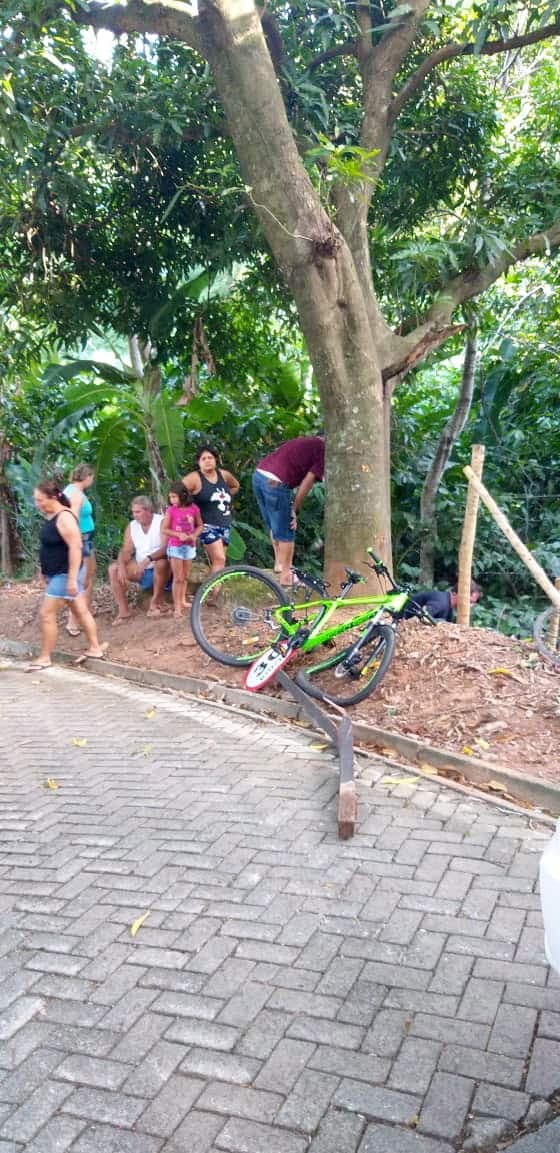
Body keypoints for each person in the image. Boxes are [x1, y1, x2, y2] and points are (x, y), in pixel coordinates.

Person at [28, 477, 107, 671]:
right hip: (56, 573)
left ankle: (45, 657)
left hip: (65, 574)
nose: (37, 504)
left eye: (40, 500)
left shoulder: (65, 517)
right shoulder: (52, 516)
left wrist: (72, 579)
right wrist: (43, 571)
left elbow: (76, 547)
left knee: (46, 614)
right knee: (80, 610)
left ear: (53, 497)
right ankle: (95, 648)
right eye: (36, 500)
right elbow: (50, 546)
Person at [252, 435, 324, 585]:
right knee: (286, 530)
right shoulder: (323, 449)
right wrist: (294, 509)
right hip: (275, 482)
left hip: (259, 475)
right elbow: (307, 482)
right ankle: (287, 575)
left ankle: (279, 564)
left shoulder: (304, 441)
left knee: (274, 524)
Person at [108, 495, 170, 624]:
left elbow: (166, 548)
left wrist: (148, 559)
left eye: (138, 512)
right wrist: (121, 565)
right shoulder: (132, 526)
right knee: (113, 569)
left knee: (161, 563)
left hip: (161, 568)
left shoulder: (161, 522)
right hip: (141, 569)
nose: (134, 515)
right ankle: (124, 612)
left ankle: (155, 604)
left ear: (148, 510)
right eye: (133, 512)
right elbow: (126, 550)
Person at [182, 446, 240, 576]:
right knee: (220, 559)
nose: (207, 461)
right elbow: (177, 492)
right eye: (203, 459)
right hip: (205, 525)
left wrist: (225, 497)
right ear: (198, 462)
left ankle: (213, 589)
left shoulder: (224, 475)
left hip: (224, 523)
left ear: (216, 459)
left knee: (219, 563)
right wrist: (187, 510)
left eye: (210, 457)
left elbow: (235, 486)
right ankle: (211, 588)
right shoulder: (194, 478)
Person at [161, 483, 203, 619]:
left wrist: (194, 535)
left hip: (189, 546)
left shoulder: (194, 508)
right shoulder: (171, 510)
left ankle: (183, 600)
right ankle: (177, 607)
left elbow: (200, 525)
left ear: (183, 495)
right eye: (170, 497)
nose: (172, 500)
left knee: (185, 576)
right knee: (178, 578)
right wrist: (178, 535)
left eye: (174, 497)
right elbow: (164, 529)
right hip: (176, 546)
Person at [64, 463, 96, 637]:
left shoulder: (71, 490)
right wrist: (75, 543)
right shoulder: (75, 494)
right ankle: (74, 620)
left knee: (88, 575)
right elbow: (72, 518)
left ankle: (83, 614)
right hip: (81, 538)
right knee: (82, 579)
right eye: (92, 477)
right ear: (87, 476)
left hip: (85, 537)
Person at [408, 581, 482, 621]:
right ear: (455, 593)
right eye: (469, 602)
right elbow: (419, 618)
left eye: (473, 603)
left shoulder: (448, 608)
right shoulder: (441, 603)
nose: (470, 606)